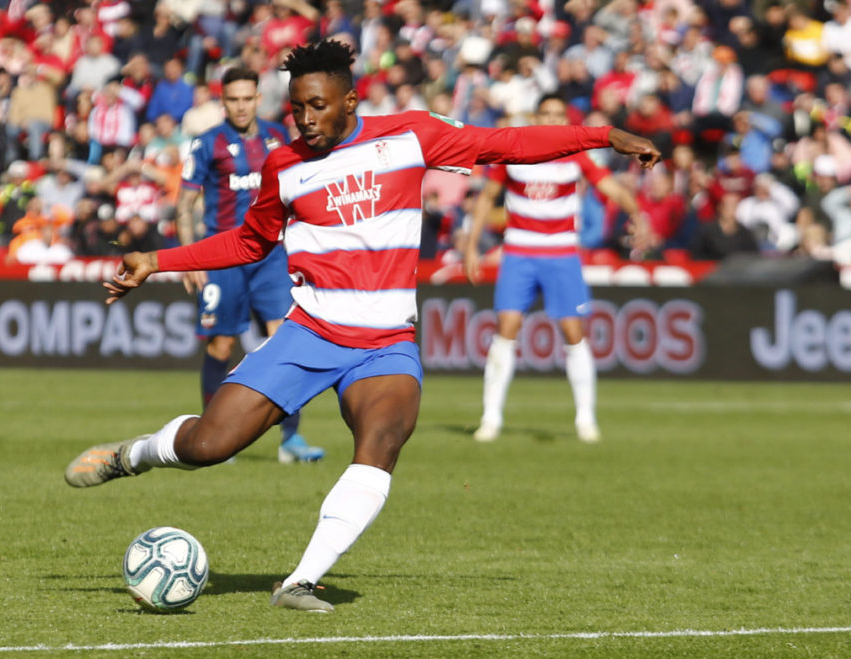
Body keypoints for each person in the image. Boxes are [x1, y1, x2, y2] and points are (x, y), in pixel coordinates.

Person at [64, 40, 660, 613]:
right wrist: (156, 260)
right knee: (208, 446)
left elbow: (504, 142)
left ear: (351, 100)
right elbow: (250, 241)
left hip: (385, 344)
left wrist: (603, 136)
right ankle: (133, 454)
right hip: (310, 333)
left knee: (382, 441)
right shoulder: (285, 165)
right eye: (296, 107)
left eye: (317, 106)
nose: (305, 119)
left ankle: (301, 580)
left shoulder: (410, 135)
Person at [462, 92, 650, 444]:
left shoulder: (576, 156)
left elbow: (610, 187)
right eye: (545, 113)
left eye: (557, 114)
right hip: (519, 250)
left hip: (561, 251)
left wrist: (637, 213)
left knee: (573, 333)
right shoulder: (513, 152)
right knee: (506, 329)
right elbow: (487, 197)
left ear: (566, 120)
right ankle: (491, 418)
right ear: (536, 117)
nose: (551, 119)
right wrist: (471, 245)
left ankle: (585, 419)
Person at [176, 66, 323, 464]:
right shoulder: (206, 144)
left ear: (258, 99)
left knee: (287, 341)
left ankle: (290, 439)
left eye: (247, 98)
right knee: (221, 344)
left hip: (271, 256)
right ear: (222, 102)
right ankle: (213, 439)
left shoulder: (278, 138)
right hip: (222, 256)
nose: (240, 106)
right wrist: (190, 258)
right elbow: (185, 203)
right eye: (232, 99)